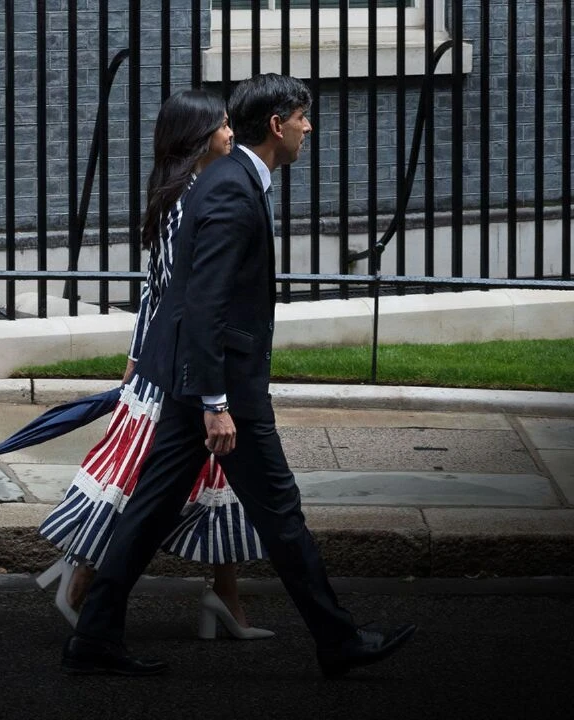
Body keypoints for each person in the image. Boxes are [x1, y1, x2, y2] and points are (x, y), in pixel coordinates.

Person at [60, 74, 417, 678]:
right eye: (303, 116)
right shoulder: (232, 187)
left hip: (187, 376)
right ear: (277, 126)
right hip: (218, 384)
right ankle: (339, 641)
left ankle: (94, 635)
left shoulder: (232, 179)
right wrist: (216, 401)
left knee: (150, 509)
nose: (309, 127)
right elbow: (206, 302)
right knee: (281, 511)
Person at [38, 89, 273, 641]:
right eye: (220, 124)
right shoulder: (190, 200)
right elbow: (168, 292)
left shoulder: (199, 190)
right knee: (144, 487)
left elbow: (157, 289)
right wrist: (141, 357)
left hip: (182, 364)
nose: (230, 131)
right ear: (198, 138)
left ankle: (226, 599)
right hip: (176, 370)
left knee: (218, 481)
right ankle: (83, 581)